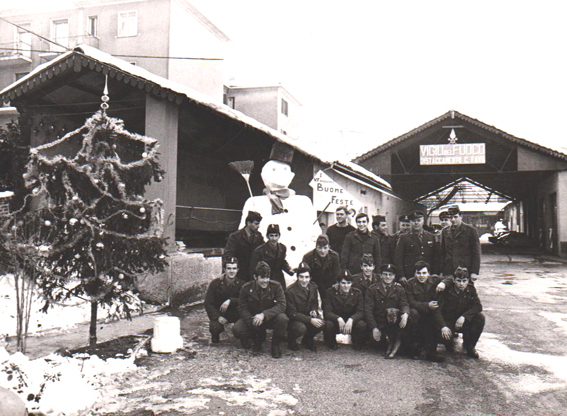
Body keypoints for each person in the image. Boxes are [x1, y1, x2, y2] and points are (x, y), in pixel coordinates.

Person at [238, 141, 319, 268]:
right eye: (274, 169)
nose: (279, 173)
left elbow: (314, 233)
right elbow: (242, 235)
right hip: (268, 265)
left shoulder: (304, 202)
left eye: (285, 169)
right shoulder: (254, 202)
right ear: (264, 173)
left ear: (291, 175)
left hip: (299, 264)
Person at [232, 261, 289, 358]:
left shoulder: (276, 286)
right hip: (254, 319)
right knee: (237, 329)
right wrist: (251, 320)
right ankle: (258, 338)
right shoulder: (246, 288)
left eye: (267, 277)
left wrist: (264, 315)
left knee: (283, 318)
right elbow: (242, 307)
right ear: (255, 277)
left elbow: (282, 305)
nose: (265, 281)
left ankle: (275, 345)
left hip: (270, 318)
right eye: (262, 277)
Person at [437, 266, 485, 359]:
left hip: (462, 322)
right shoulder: (446, 290)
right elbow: (437, 310)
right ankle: (449, 342)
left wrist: (464, 317)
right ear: (454, 280)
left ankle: (470, 346)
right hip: (448, 321)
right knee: (445, 340)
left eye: (464, 281)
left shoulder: (471, 289)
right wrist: (443, 326)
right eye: (459, 281)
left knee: (480, 318)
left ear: (468, 281)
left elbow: (478, 306)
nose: (461, 284)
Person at [404, 261, 446, 362]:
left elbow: (450, 278)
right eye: (418, 273)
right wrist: (427, 305)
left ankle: (431, 352)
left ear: (428, 273)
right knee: (413, 315)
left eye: (424, 273)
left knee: (433, 319)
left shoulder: (434, 280)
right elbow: (411, 302)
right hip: (418, 312)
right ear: (415, 273)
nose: (421, 276)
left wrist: (443, 283)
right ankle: (414, 349)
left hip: (431, 312)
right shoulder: (410, 284)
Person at [365, 264, 409, 352]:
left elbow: (404, 304)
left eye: (390, 275)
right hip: (379, 323)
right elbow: (368, 310)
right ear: (381, 275)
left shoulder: (399, 289)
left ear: (394, 276)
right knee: (377, 344)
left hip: (393, 324)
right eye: (385, 274)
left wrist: (405, 314)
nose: (387, 277)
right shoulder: (372, 289)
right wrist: (374, 328)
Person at [204, 256, 246, 344]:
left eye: (234, 268)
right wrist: (218, 317)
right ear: (224, 269)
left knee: (241, 330)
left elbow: (245, 301)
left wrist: (231, 300)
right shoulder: (215, 284)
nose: (231, 271)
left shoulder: (242, 284)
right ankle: (215, 337)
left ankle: (244, 338)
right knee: (215, 327)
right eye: (229, 268)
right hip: (221, 313)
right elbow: (208, 303)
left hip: (236, 314)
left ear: (237, 270)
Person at [322, 270, 367, 350]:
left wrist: (351, 319)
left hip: (351, 323)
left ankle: (357, 343)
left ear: (351, 283)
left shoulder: (357, 293)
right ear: (338, 283)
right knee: (328, 324)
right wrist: (338, 319)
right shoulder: (330, 292)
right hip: (336, 322)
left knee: (362, 324)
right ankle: (331, 343)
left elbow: (360, 312)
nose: (346, 286)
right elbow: (327, 312)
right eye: (343, 283)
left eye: (348, 283)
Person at [285, 262, 324, 351]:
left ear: (310, 278)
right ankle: (291, 339)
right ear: (297, 277)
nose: (304, 280)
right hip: (294, 320)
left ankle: (307, 339)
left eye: (307, 277)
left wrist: (314, 310)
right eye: (301, 277)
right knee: (300, 328)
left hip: (307, 316)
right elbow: (292, 313)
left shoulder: (313, 287)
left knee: (321, 323)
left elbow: (314, 302)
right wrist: (310, 320)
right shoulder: (290, 291)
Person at [394, 210, 438, 283]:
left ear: (423, 221)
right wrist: (401, 275)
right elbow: (398, 258)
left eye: (418, 220)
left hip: (427, 274)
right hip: (409, 274)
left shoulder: (431, 236)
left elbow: (436, 257)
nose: (416, 223)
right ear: (410, 222)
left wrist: (435, 273)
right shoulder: (404, 237)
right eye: (413, 221)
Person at [440, 205, 481, 280]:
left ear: (461, 216)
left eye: (455, 217)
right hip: (449, 270)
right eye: (451, 217)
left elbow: (476, 253)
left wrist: (474, 272)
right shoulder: (445, 231)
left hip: (465, 270)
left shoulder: (471, 231)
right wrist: (441, 270)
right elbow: (442, 253)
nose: (453, 220)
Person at [249, 224, 294, 289]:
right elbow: (252, 270)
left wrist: (289, 269)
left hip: (279, 279)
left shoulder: (282, 248)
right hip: (265, 280)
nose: (274, 239)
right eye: (271, 236)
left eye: (276, 235)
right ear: (267, 236)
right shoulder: (259, 251)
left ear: (279, 236)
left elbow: (282, 261)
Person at [224, 210, 264, 282]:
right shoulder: (235, 236)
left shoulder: (259, 236)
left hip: (253, 275)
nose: (258, 226)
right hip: (239, 275)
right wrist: (227, 273)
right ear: (248, 223)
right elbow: (228, 255)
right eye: (256, 224)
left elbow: (264, 251)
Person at [301, 234, 340, 302]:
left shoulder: (334, 256)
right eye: (320, 248)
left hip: (329, 284)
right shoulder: (308, 257)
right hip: (313, 284)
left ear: (329, 247)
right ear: (316, 247)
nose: (322, 251)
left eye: (325, 248)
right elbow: (305, 274)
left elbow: (336, 274)